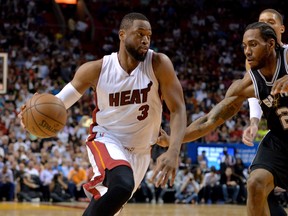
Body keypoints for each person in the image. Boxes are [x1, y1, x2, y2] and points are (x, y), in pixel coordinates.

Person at [18, 12, 186, 215]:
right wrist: (30, 114)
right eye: (140, 33)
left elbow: (177, 109)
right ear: (122, 34)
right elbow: (59, 103)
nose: (145, 40)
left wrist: (174, 151)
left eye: (149, 35)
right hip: (107, 139)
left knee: (109, 205)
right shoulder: (96, 69)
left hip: (142, 152)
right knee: (122, 185)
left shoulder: (159, 64)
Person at [158, 22, 288, 215]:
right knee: (255, 182)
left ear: (270, 44)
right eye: (244, 46)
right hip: (280, 139)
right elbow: (210, 120)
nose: (247, 51)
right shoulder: (246, 85)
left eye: (253, 44)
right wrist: (173, 140)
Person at [243, 8, 286, 146]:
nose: (266, 25)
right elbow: (256, 91)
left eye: (271, 22)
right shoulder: (254, 60)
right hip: (280, 134)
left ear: (281, 29)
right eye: (262, 22)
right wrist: (254, 122)